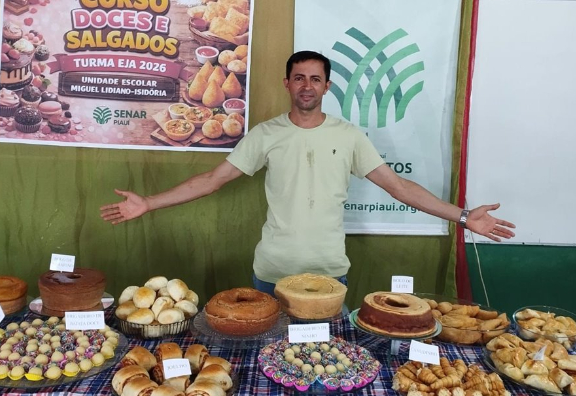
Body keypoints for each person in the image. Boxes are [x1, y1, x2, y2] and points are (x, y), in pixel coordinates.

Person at [101, 51, 515, 295]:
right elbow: (212, 180)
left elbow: (400, 187)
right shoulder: (266, 135)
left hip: (330, 274)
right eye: (299, 78)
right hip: (271, 274)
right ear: (287, 83)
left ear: (327, 87)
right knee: (270, 370)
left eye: (315, 79)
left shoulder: (349, 136)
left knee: (325, 371)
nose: (307, 85)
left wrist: (463, 217)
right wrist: (149, 202)